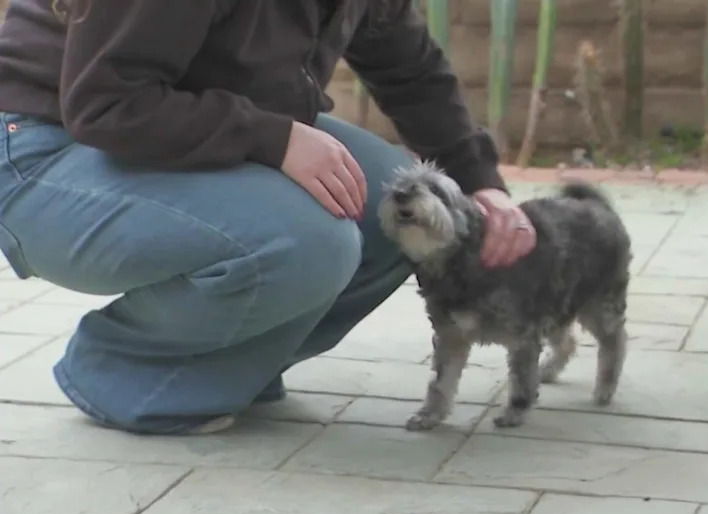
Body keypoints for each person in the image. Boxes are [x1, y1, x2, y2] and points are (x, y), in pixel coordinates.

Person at [0, 0, 537, 435]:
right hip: (42, 147)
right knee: (306, 239)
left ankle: (223, 370)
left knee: (400, 208)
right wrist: (273, 138)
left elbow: (410, 71)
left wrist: (481, 184)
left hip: (178, 124)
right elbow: (105, 103)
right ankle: (124, 373)